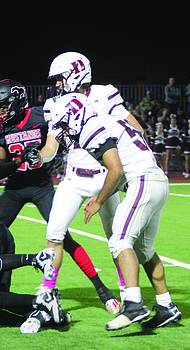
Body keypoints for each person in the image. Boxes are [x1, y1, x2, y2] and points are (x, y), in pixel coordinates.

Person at [0, 79, 119, 313]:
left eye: (3, 106)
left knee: (63, 238)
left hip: (41, 185)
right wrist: (22, 158)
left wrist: (57, 152)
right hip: (14, 189)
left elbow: (59, 135)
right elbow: (0, 170)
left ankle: (102, 290)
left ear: (17, 102)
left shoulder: (40, 115)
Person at [49, 93, 181, 330]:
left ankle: (134, 305)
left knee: (120, 241)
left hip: (142, 181)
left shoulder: (92, 127)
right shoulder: (110, 121)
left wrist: (99, 200)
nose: (64, 132)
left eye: (64, 125)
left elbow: (116, 170)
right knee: (143, 249)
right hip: (156, 180)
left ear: (76, 117)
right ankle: (166, 305)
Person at [34, 51, 143, 312]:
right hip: (73, 178)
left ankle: (126, 290)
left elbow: (135, 129)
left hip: (107, 179)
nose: (57, 85)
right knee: (54, 234)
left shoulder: (103, 95)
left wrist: (131, 167)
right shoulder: (56, 105)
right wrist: (34, 156)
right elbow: (50, 150)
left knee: (117, 239)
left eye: (60, 78)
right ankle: (48, 292)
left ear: (76, 73)